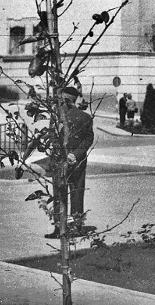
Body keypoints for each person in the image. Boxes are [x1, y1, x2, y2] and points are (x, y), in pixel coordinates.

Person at [44, 87, 95, 239]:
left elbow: (52, 138)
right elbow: (89, 139)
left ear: (65, 99)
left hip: (62, 161)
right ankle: (75, 227)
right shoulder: (85, 117)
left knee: (60, 194)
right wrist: (75, 154)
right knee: (76, 194)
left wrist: (64, 155)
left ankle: (61, 228)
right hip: (76, 161)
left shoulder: (58, 117)